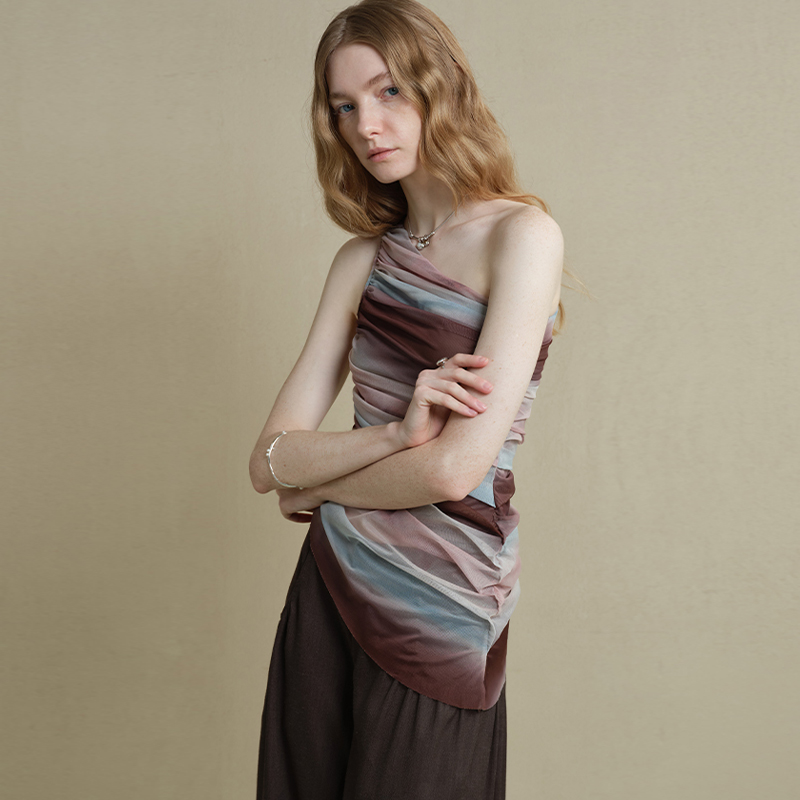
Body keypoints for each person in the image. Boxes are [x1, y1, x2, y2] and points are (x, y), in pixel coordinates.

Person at [249, 1, 571, 797]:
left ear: (440, 87)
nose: (366, 125)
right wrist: (395, 433)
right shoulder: (361, 262)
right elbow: (266, 461)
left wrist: (317, 487)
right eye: (344, 106)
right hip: (331, 586)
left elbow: (452, 472)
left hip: (444, 601)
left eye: (388, 91)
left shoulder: (522, 237)